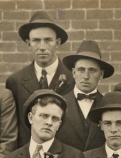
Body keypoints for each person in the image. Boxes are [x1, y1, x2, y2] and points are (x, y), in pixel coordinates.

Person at [6, 11, 75, 147]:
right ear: (28, 43)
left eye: (48, 40)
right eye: (36, 41)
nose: (42, 47)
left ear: (58, 42)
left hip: (64, 157)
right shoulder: (15, 81)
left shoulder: (73, 78)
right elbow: (13, 128)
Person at [56, 40, 112, 151]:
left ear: (101, 75)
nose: (86, 76)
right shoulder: (59, 104)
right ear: (73, 73)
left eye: (92, 70)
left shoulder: (108, 105)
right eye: (81, 70)